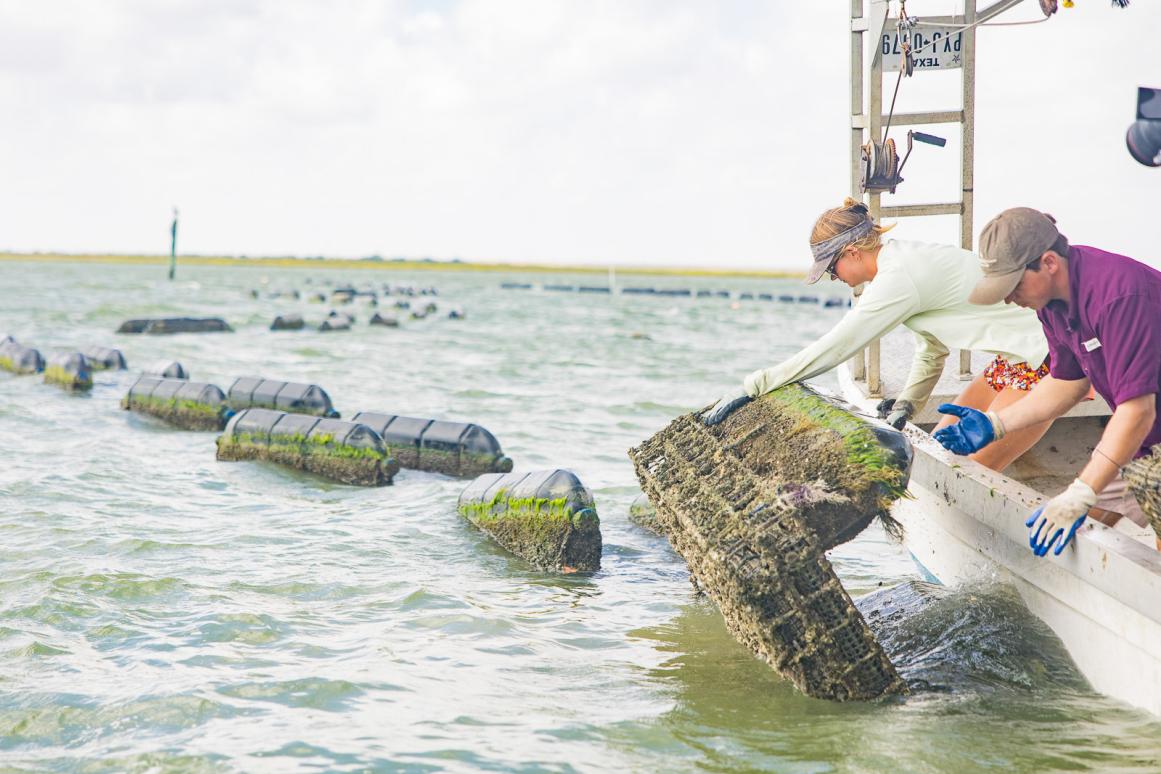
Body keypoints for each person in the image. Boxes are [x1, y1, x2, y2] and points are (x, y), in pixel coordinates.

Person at [704, 197, 1052, 473]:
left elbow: (840, 344)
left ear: (852, 252)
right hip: (1013, 361)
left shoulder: (898, 276)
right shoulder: (903, 261)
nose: (832, 277)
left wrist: (756, 385)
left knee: (971, 473)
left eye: (831, 267)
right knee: (941, 453)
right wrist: (907, 405)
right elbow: (932, 349)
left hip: (1046, 359)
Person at [934, 207, 1161, 556]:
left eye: (1013, 285)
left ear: (1049, 262)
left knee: (1087, 499)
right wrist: (997, 423)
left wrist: (1081, 493)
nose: (1009, 297)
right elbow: (1067, 383)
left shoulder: (1118, 296)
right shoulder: (1050, 304)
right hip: (1147, 444)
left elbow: (1137, 412)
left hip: (1146, 432)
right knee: (1074, 518)